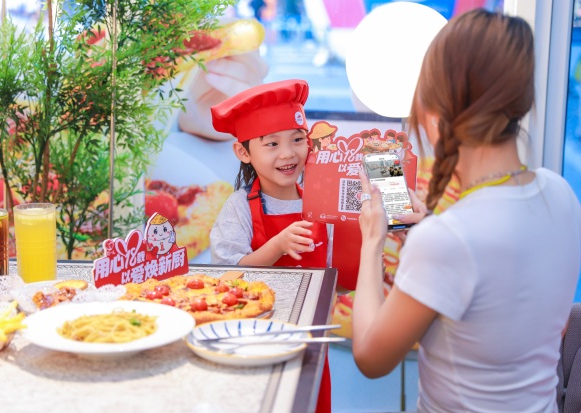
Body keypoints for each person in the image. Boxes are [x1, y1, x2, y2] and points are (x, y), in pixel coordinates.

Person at [352, 9, 581, 412]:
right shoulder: (560, 194)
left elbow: (371, 359)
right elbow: (541, 319)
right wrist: (433, 230)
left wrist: (372, 242)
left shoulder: (447, 240)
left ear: (436, 118)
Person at [209, 79, 332, 412]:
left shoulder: (322, 203)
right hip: (253, 338)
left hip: (309, 339)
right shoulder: (238, 207)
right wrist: (276, 245)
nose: (288, 153)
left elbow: (338, 279)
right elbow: (226, 276)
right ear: (244, 152)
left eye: (297, 139)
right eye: (272, 143)